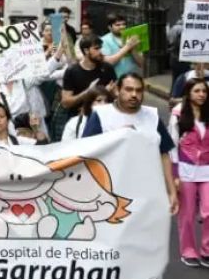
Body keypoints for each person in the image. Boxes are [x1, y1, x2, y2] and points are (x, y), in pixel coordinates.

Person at [82, 73, 179, 216]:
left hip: (148, 192)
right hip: (112, 194)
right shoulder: (101, 115)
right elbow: (86, 151)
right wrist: (117, 137)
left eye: (139, 90)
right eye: (128, 89)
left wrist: (172, 192)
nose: (134, 94)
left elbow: (164, 154)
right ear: (117, 90)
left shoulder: (152, 116)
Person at [171, 79, 209, 267]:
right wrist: (174, 175)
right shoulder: (178, 113)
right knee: (187, 214)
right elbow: (172, 146)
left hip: (207, 170)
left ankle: (207, 250)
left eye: (204, 91)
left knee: (208, 211)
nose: (201, 94)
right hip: (185, 171)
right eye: (197, 90)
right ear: (188, 93)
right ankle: (188, 251)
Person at [52, 36, 117, 141]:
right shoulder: (72, 71)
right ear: (86, 51)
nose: (101, 52)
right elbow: (66, 102)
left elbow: (115, 95)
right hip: (79, 122)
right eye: (96, 48)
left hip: (106, 122)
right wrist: (88, 92)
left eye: (101, 48)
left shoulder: (107, 68)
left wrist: (108, 93)